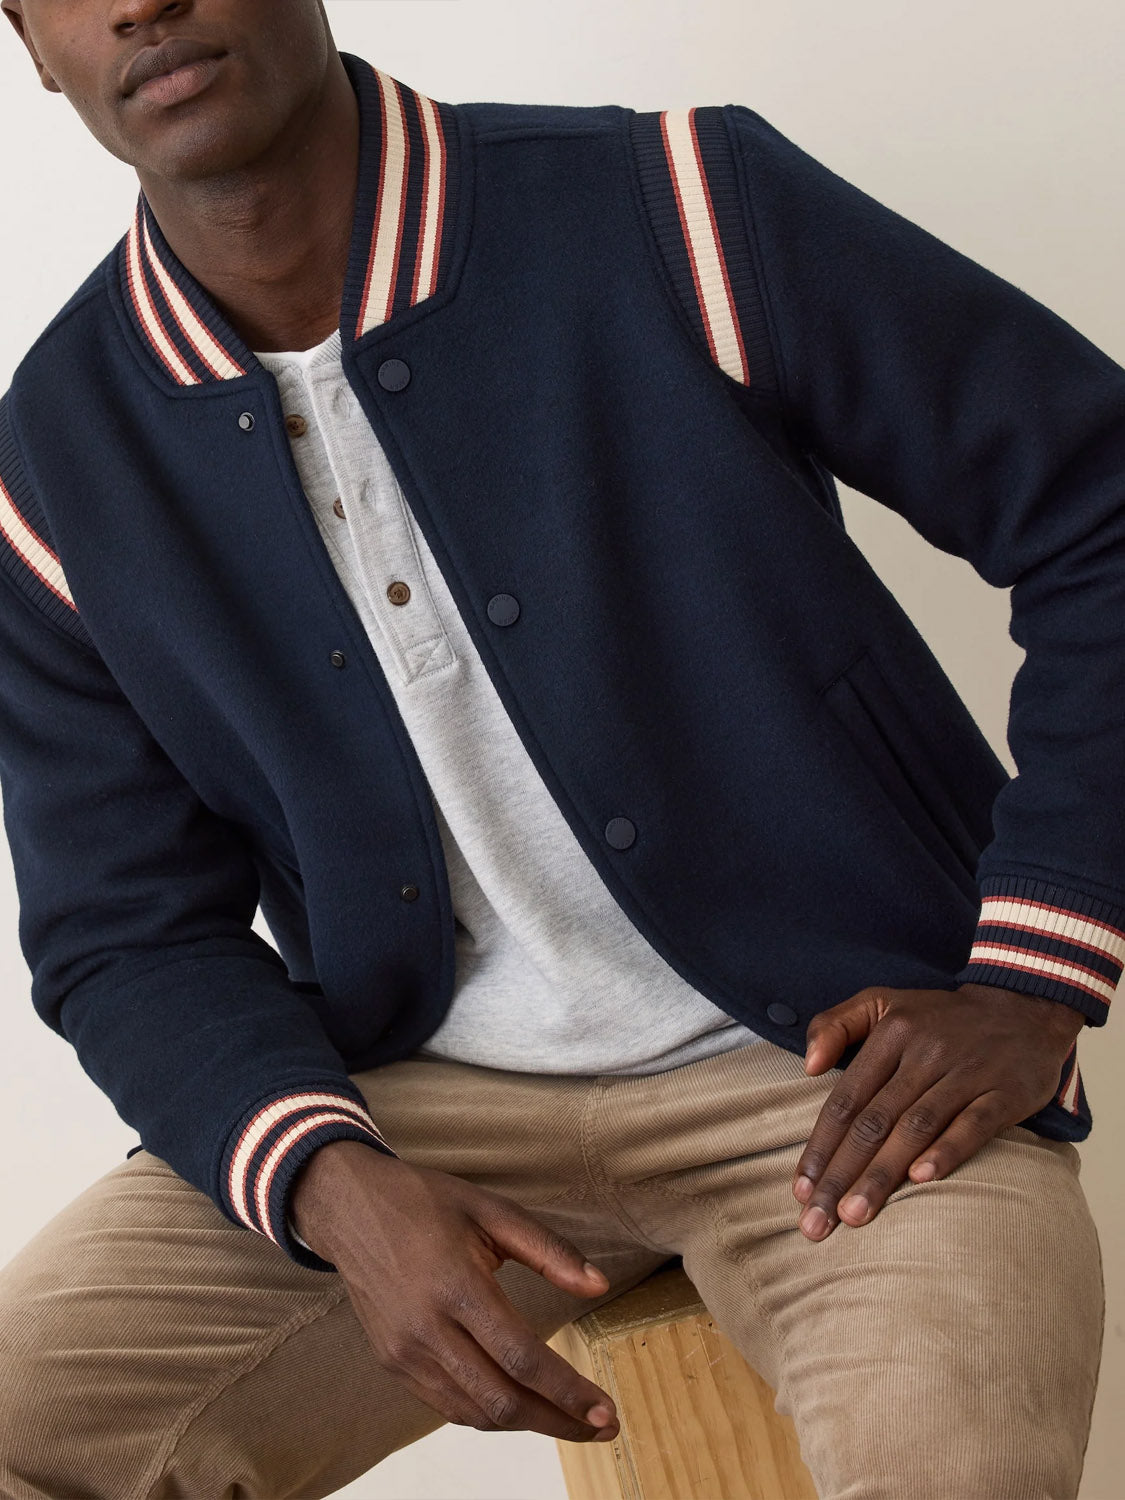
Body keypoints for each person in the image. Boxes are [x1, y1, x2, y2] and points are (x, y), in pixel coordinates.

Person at [0, 1, 1115, 1496]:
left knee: (951, 1470)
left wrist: (1033, 975)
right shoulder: (58, 452)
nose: (143, 0)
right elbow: (123, 928)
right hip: (413, 1109)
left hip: (837, 1070)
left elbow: (1097, 507)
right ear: (28, 39)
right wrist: (332, 1188)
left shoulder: (675, 204)